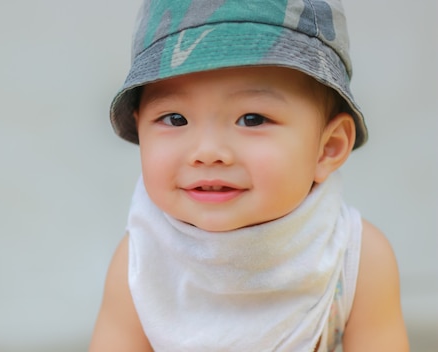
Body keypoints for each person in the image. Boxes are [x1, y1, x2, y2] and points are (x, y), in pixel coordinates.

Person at [90, 0, 409, 351]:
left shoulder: (356, 260)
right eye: (175, 119)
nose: (207, 151)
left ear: (328, 148)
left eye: (252, 119)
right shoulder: (141, 260)